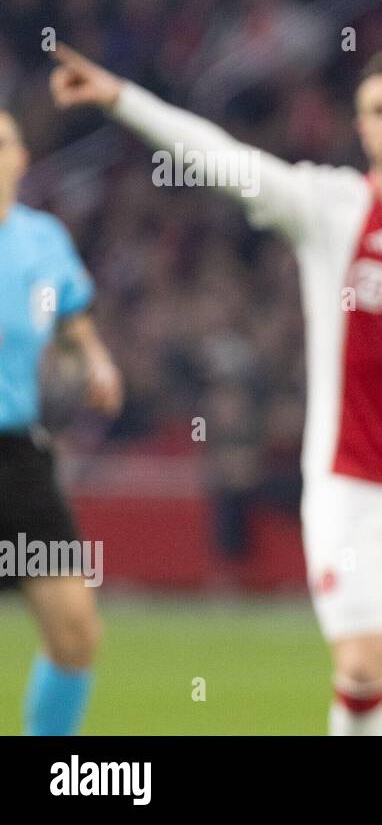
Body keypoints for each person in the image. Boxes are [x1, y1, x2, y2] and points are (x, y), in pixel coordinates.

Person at [50, 45, 382, 735]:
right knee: (363, 667)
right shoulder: (329, 207)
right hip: (353, 485)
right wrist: (120, 97)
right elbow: (222, 159)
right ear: (362, 128)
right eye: (379, 111)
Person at [0, 108, 123, 734]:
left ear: (21, 158)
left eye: (1, 145)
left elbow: (71, 318)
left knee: (75, 633)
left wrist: (96, 361)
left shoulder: (43, 239)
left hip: (17, 459)